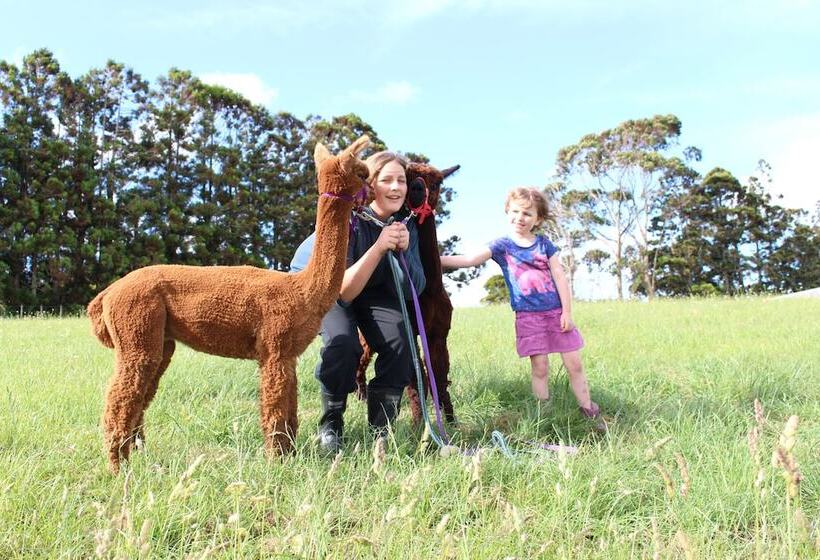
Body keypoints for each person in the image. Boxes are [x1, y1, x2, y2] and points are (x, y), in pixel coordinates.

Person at [290, 151, 426, 454]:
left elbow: (415, 287)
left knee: (401, 345)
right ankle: (331, 425)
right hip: (326, 287)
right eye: (386, 180)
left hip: (374, 289)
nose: (396, 188)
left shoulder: (406, 223)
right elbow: (344, 293)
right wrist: (379, 247)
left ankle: (381, 430)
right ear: (370, 185)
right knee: (343, 344)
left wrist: (403, 253)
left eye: (401, 181)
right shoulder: (348, 218)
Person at [440, 187, 605, 430]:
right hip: (529, 317)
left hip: (556, 314)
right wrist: (432, 258)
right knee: (540, 367)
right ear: (508, 211)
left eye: (527, 214)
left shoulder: (544, 245)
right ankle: (544, 415)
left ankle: (588, 410)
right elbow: (469, 259)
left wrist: (567, 312)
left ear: (537, 218)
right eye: (515, 211)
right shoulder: (502, 245)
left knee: (575, 364)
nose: (520, 217)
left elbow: (560, 277)